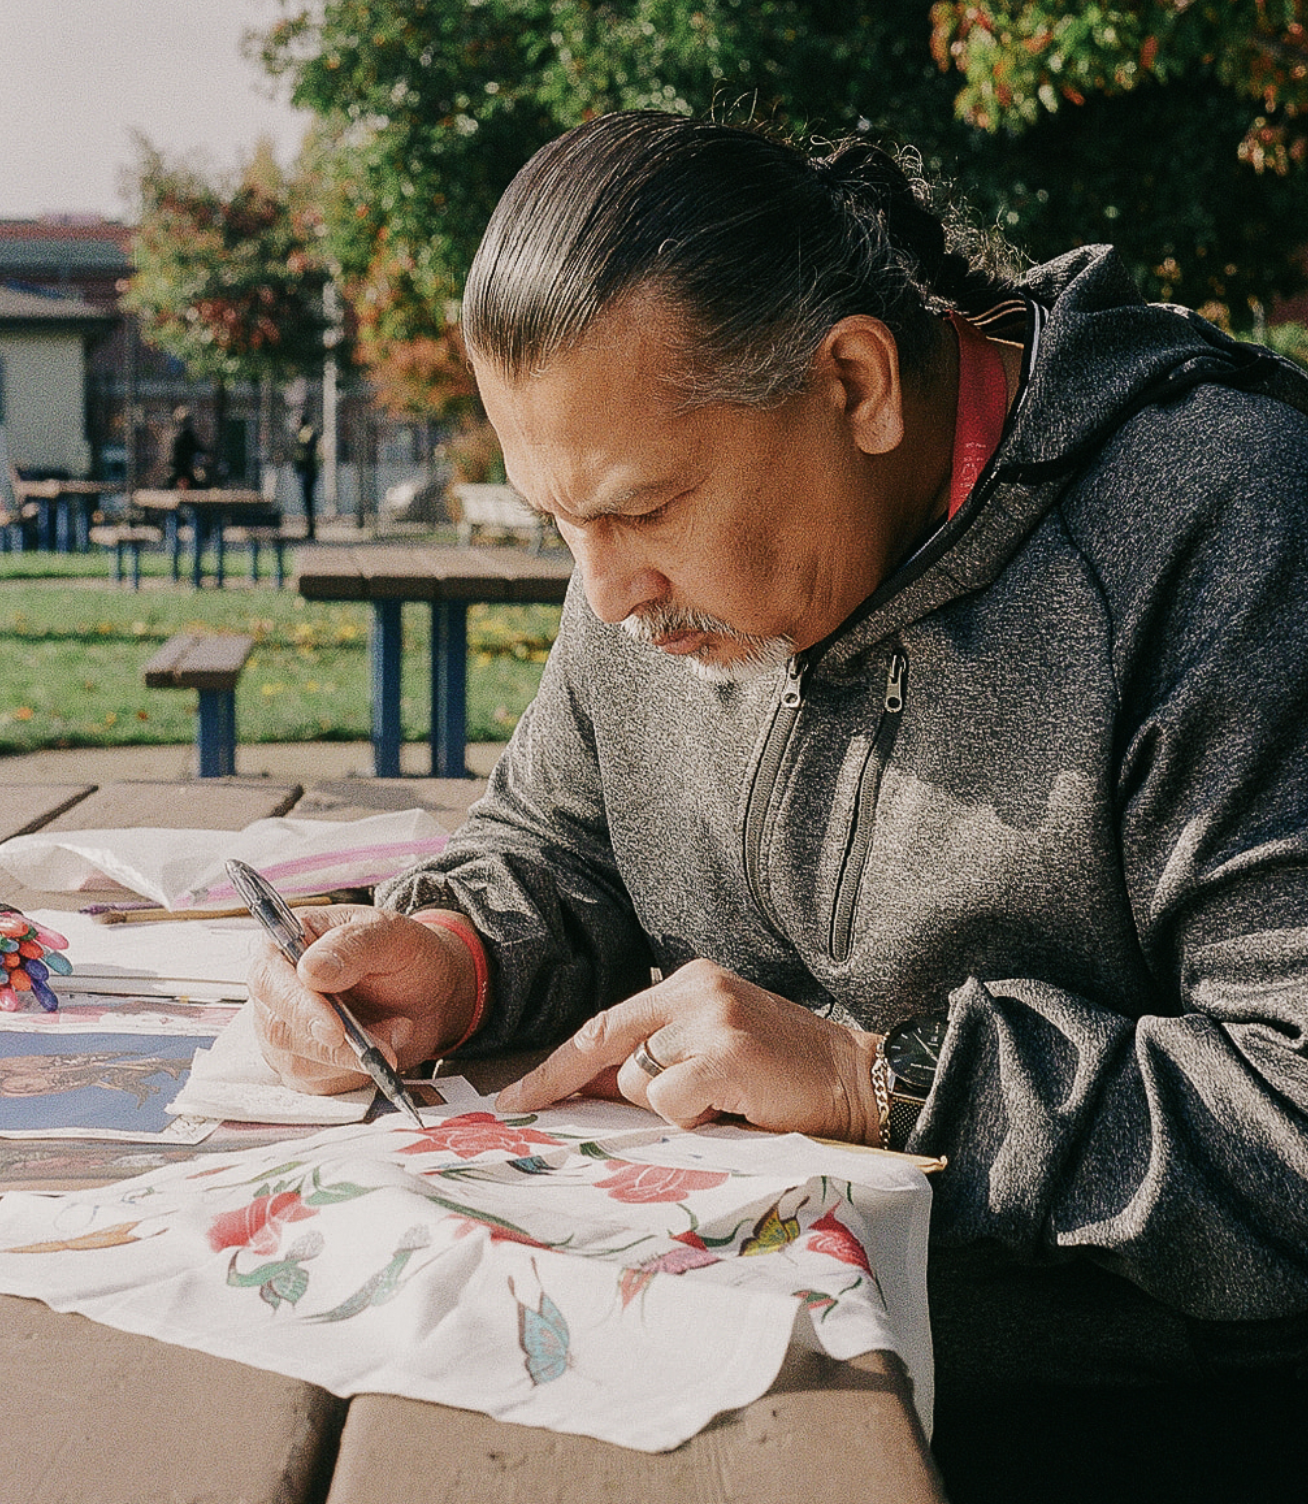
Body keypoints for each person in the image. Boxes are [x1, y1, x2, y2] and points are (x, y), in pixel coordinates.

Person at [249, 113, 1308, 1499]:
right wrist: (456, 955)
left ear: (858, 384)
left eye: (643, 509)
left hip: (1111, 1434)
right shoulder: (644, 568)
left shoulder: (1229, 529)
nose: (606, 592)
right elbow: (560, 839)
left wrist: (890, 1084)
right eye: (558, 523)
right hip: (714, 1362)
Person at [292, 415, 320, 540]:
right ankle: (310, 529)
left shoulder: (306, 433)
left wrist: (299, 465)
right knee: (309, 502)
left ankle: (311, 530)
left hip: (307, 471)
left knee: (308, 502)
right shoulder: (308, 432)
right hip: (309, 470)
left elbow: (304, 451)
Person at [166, 405, 206, 489]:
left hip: (187, 469)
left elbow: (198, 450)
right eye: (185, 421)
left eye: (188, 421)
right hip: (181, 470)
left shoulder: (188, 437)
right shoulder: (177, 437)